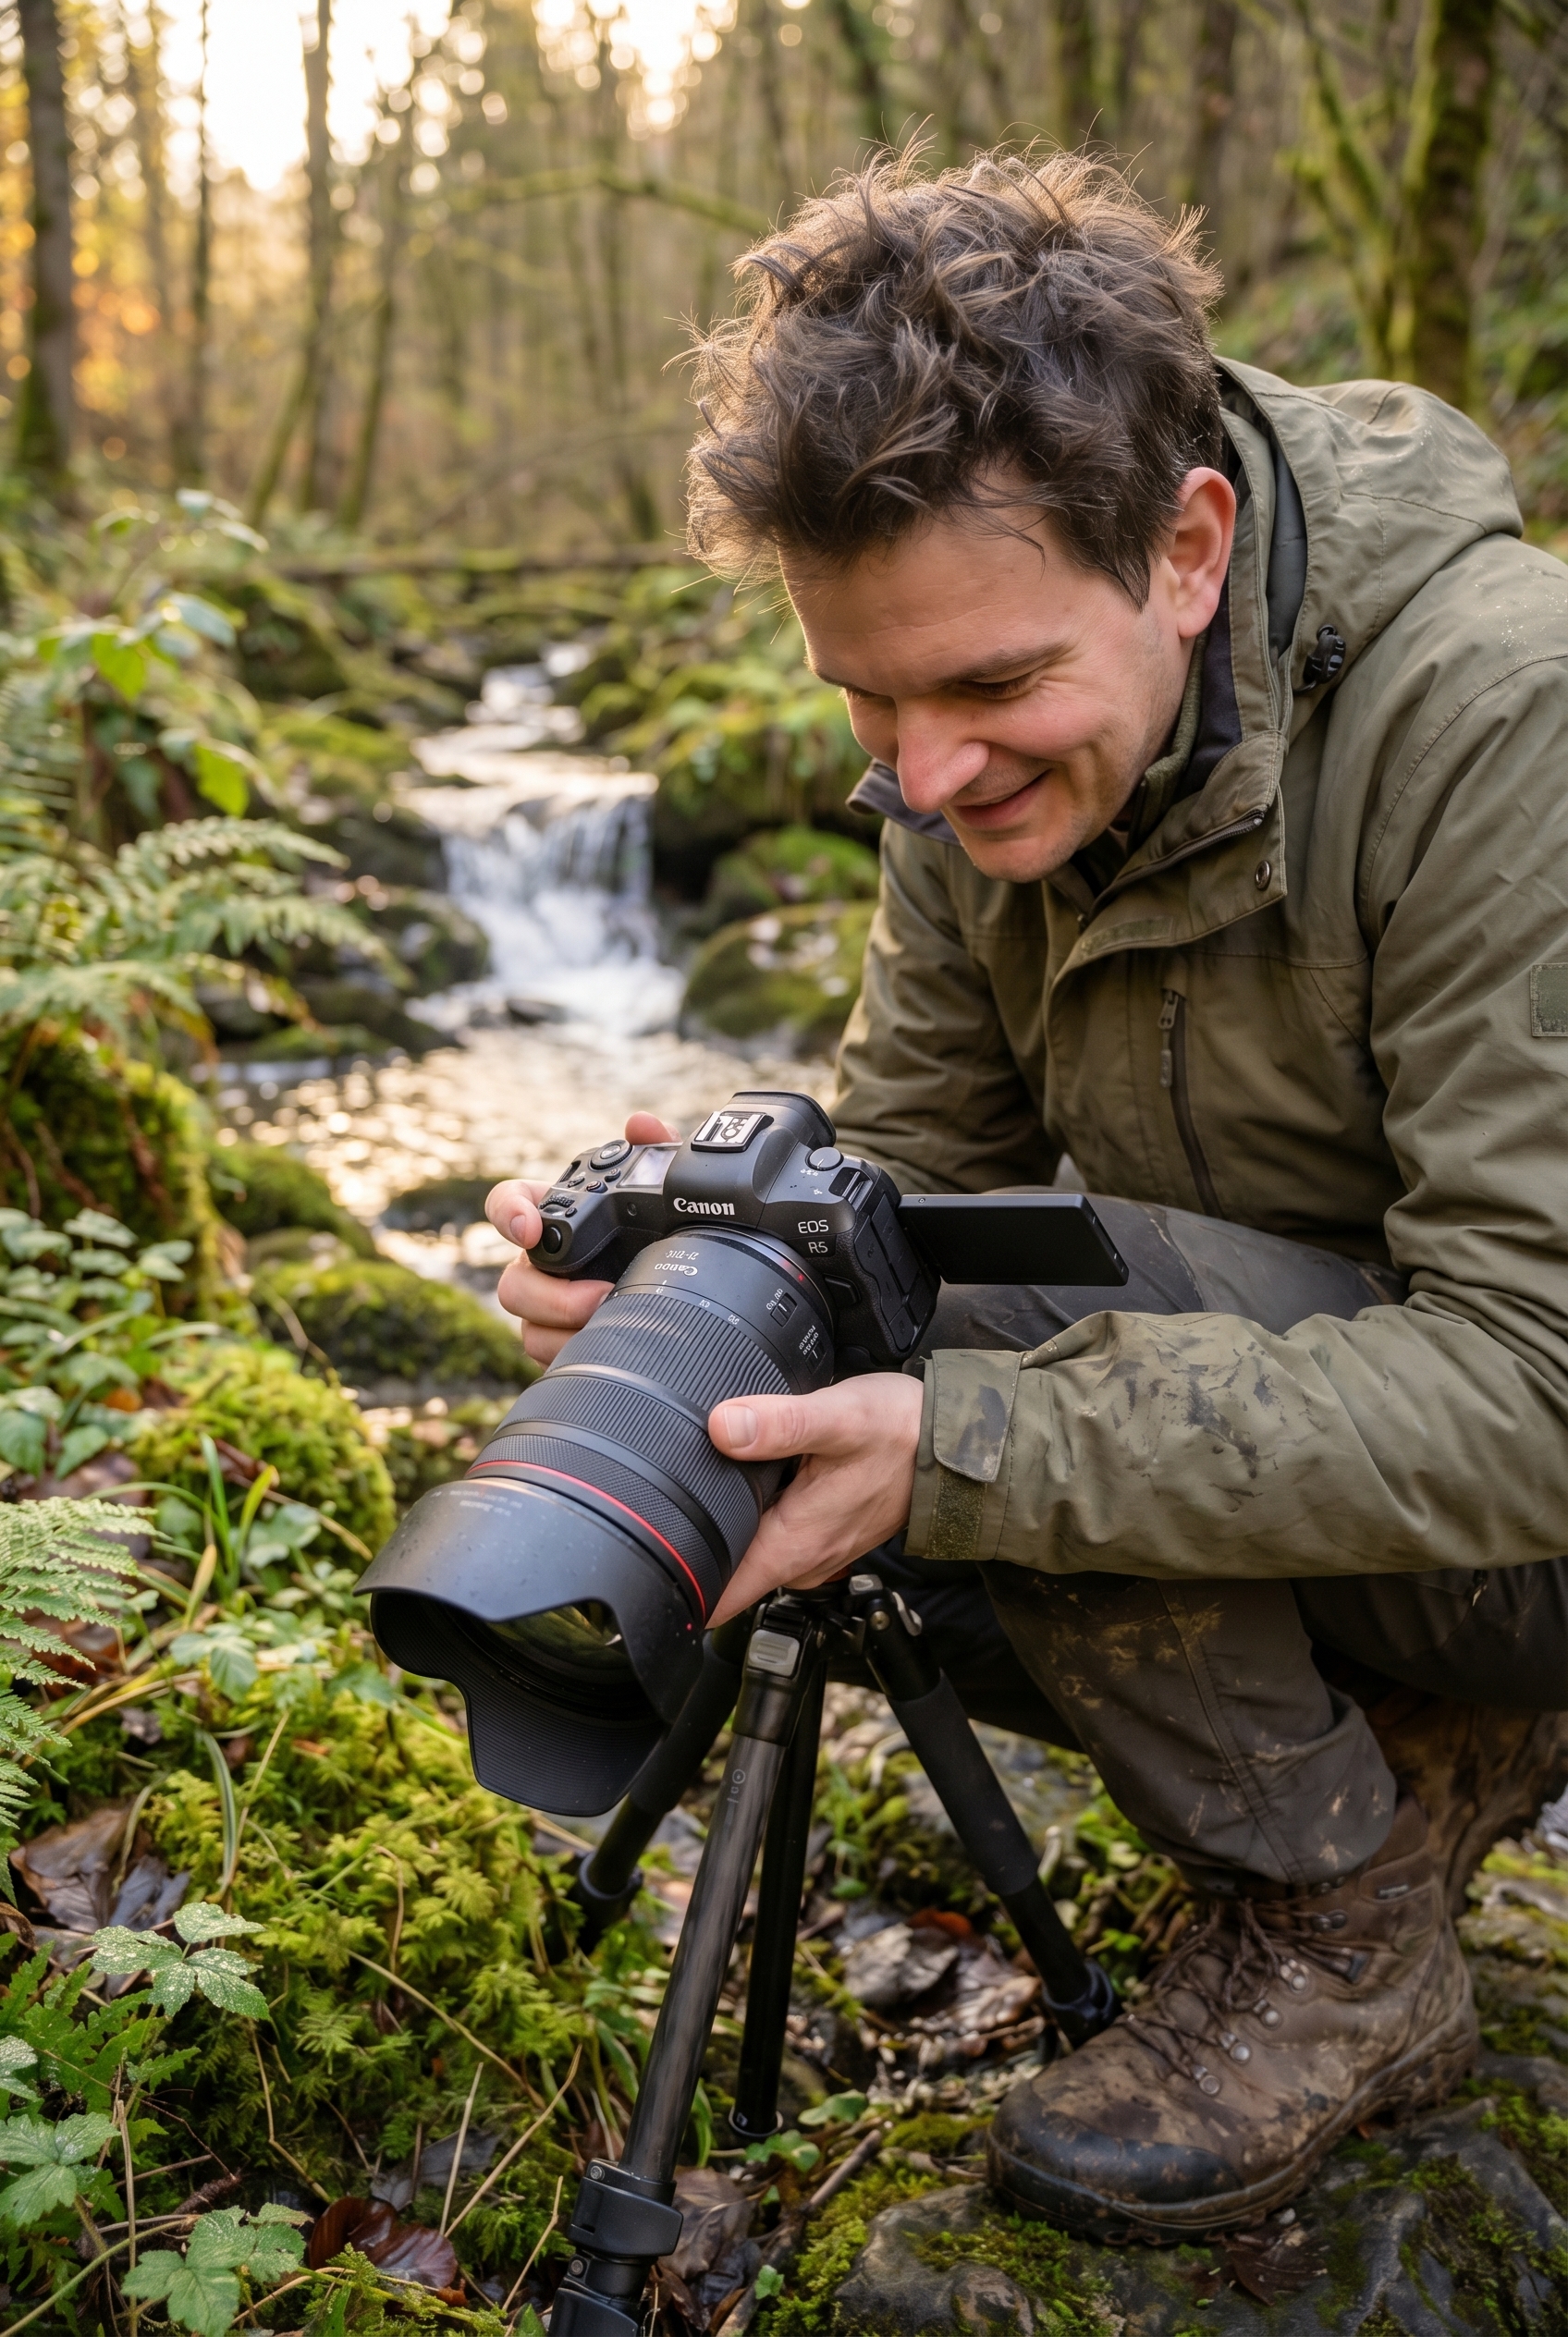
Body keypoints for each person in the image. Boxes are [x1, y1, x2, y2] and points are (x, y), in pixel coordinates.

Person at [484, 149, 1568, 2242]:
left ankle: (1344, 1931)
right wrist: (699, 1264)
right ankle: (1409, 1751)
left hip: (1533, 1500)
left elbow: (1539, 1383)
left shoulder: (1499, 719)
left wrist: (967, 1433)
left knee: (959, 1386)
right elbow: (905, 1174)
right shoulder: (958, 755)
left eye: (985, 690)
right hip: (1370, 1449)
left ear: (1185, 547)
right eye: (861, 704)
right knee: (828, 1335)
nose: (920, 773)